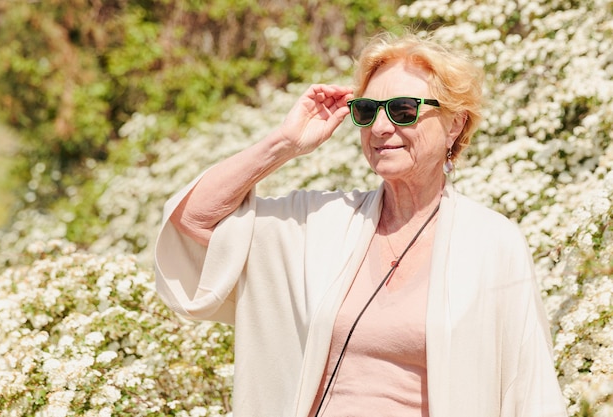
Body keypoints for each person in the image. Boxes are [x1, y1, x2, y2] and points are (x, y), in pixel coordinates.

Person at [155, 31, 568, 417]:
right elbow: (194, 219)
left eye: (404, 111)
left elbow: (530, 388)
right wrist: (285, 144)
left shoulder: (492, 242)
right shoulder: (319, 222)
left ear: (454, 125)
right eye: (367, 111)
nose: (382, 127)